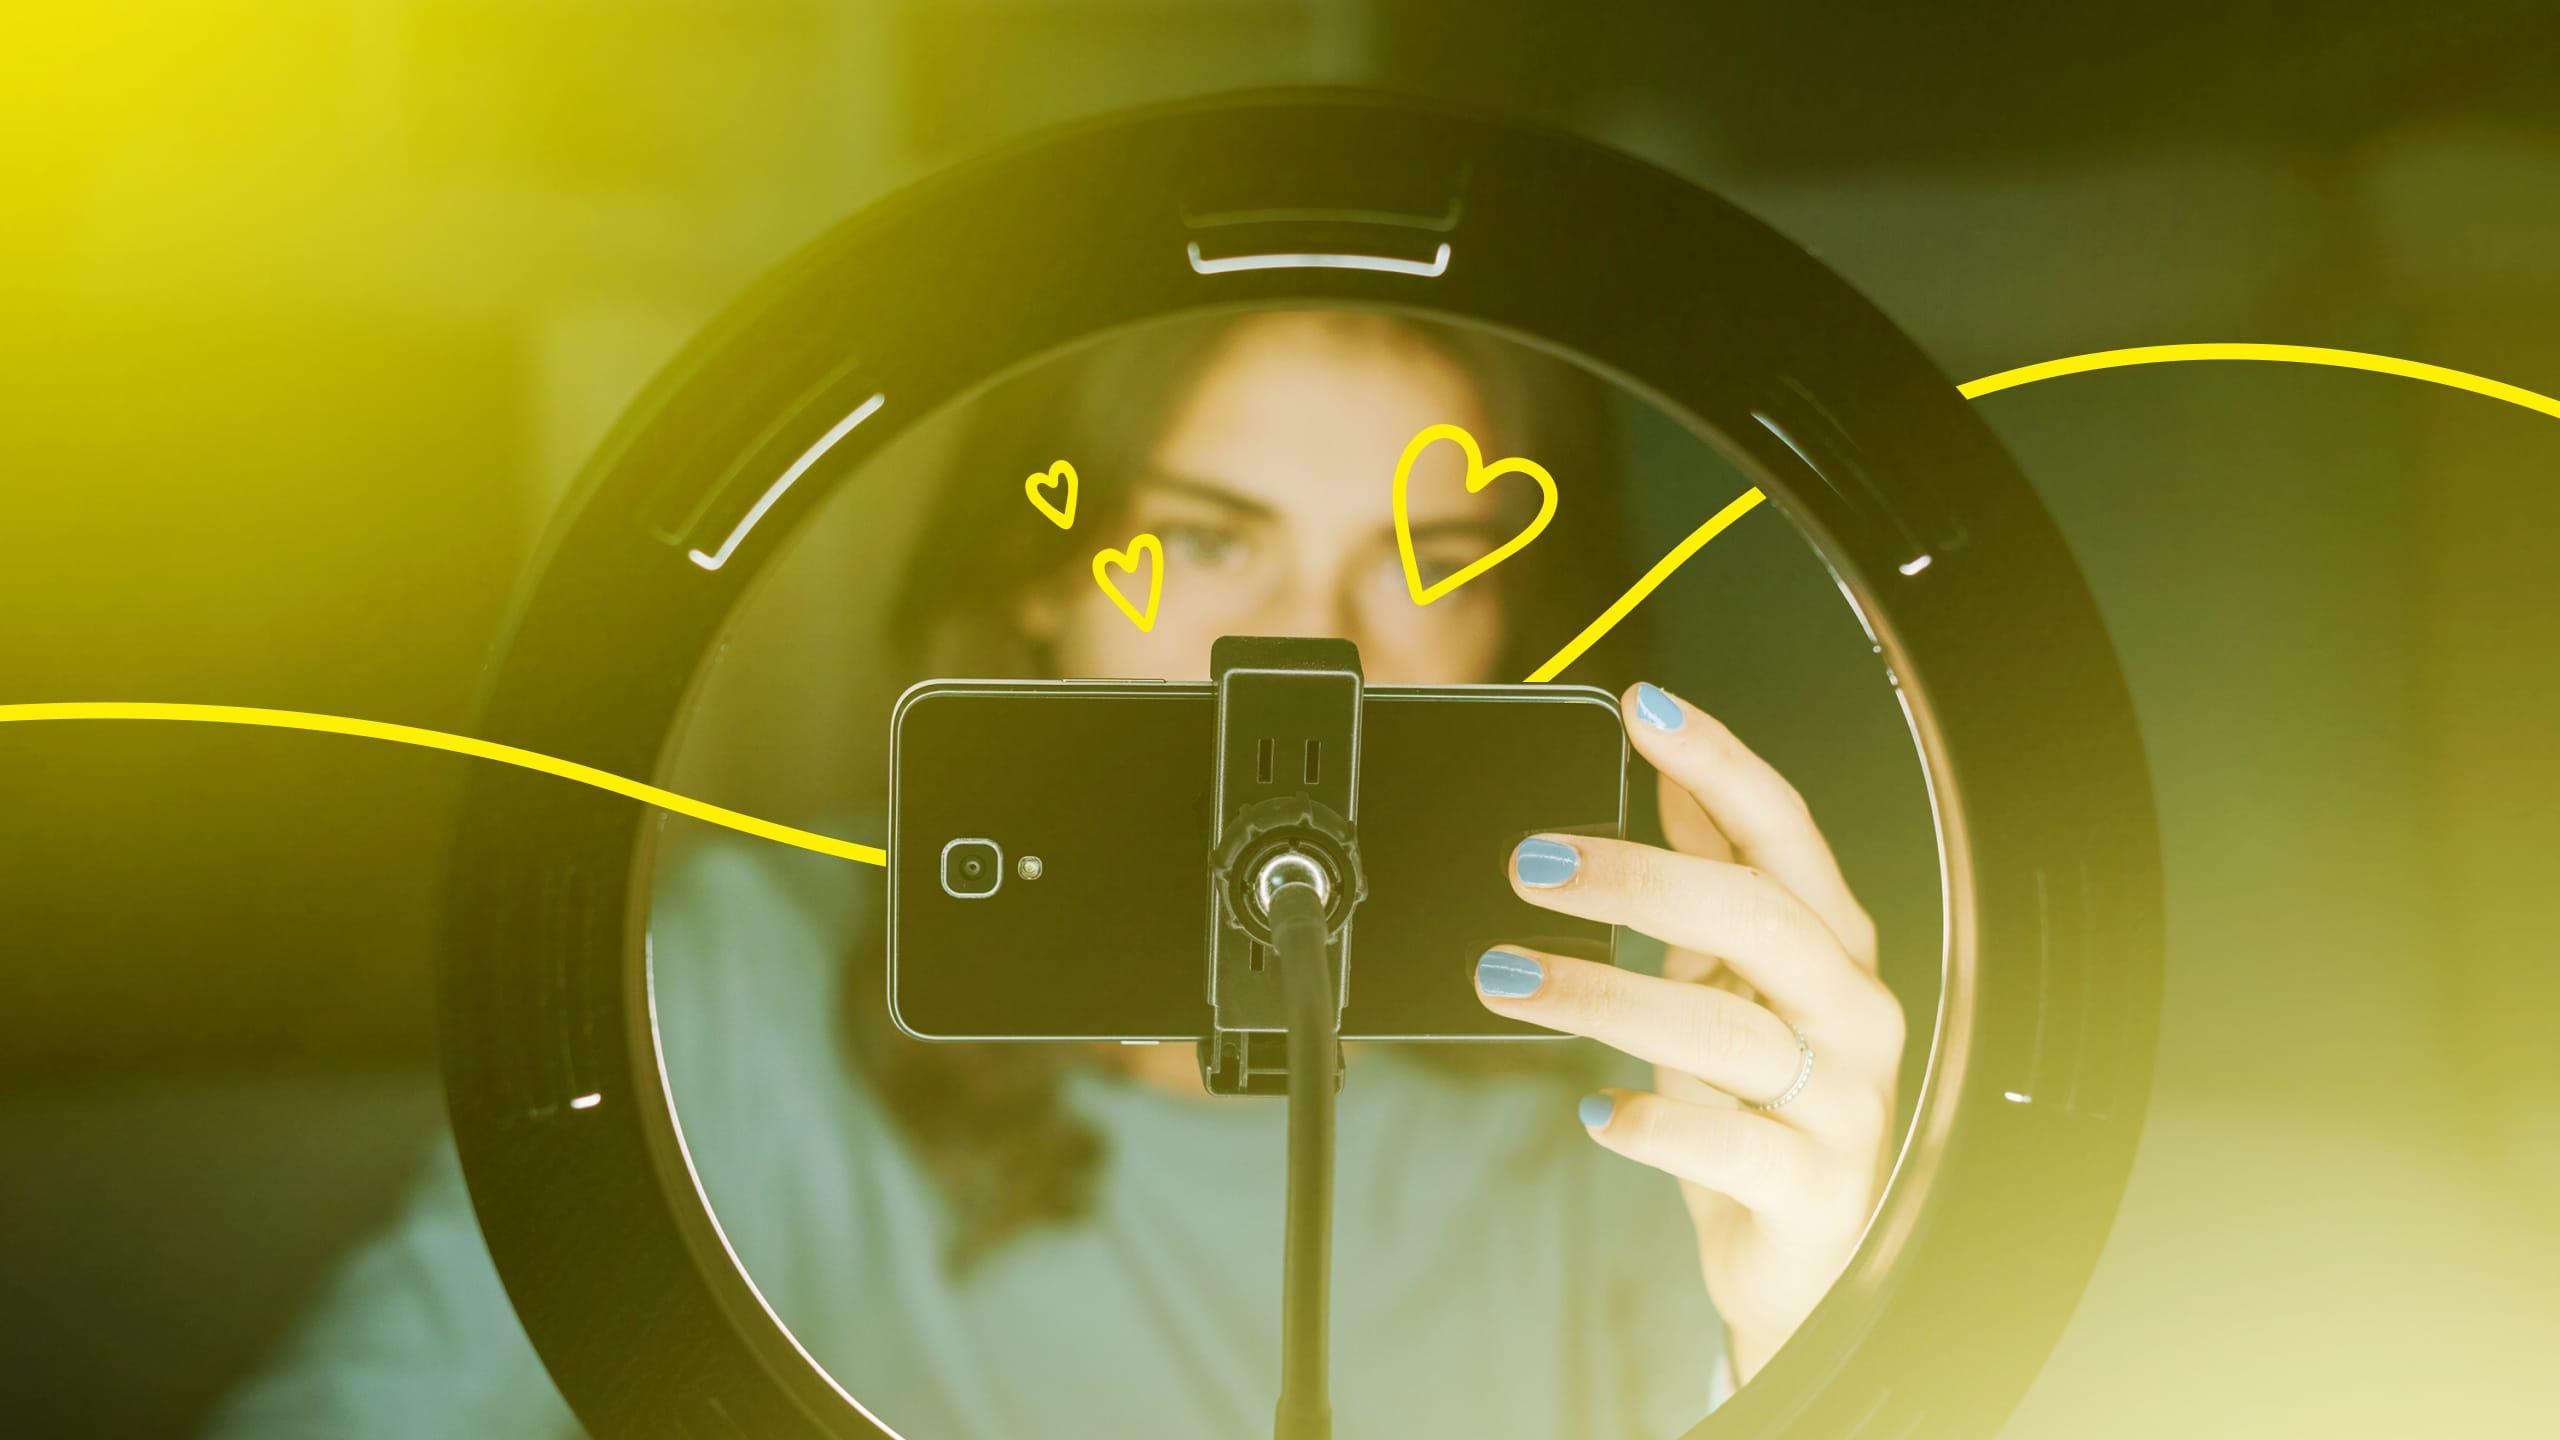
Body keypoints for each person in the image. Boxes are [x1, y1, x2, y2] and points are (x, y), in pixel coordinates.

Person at [208, 310, 1904, 1439]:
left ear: (1515, 634)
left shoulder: (1652, 1088)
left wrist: (1838, 1346)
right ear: (1043, 583)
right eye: (1211, 540)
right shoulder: (740, 992)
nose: (1305, 648)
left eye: (1426, 562)